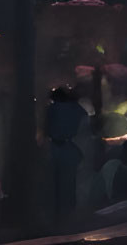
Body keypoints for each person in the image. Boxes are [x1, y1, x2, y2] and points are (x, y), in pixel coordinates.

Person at [45, 85, 86, 225]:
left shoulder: (52, 109)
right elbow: (86, 120)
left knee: (55, 183)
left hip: (55, 149)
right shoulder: (76, 109)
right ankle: (68, 214)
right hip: (69, 149)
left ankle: (57, 215)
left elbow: (46, 127)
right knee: (69, 183)